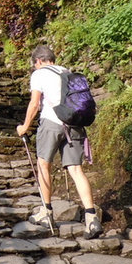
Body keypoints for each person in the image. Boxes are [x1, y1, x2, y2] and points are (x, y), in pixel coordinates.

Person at [16, 44, 103, 239]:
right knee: (76, 169)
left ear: (38, 61)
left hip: (51, 123)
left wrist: (25, 126)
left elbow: (35, 103)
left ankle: (46, 213)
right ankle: (91, 218)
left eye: (34, 64)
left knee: (43, 165)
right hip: (74, 124)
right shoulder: (66, 72)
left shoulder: (39, 74)